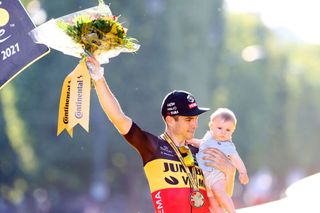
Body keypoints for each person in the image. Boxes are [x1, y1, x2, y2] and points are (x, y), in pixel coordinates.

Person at [85, 55, 236, 212]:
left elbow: (221, 199)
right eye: (189, 119)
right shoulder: (153, 147)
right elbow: (118, 118)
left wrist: (230, 173)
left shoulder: (201, 150)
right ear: (170, 120)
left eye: (196, 119)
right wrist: (98, 78)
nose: (195, 124)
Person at [188, 108, 249, 213]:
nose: (223, 132)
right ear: (211, 126)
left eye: (228, 130)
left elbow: (236, 159)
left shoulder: (227, 145)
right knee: (214, 205)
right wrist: (190, 141)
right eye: (220, 128)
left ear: (232, 131)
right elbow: (202, 144)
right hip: (206, 179)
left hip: (216, 174)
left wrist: (243, 172)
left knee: (220, 193)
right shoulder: (208, 138)